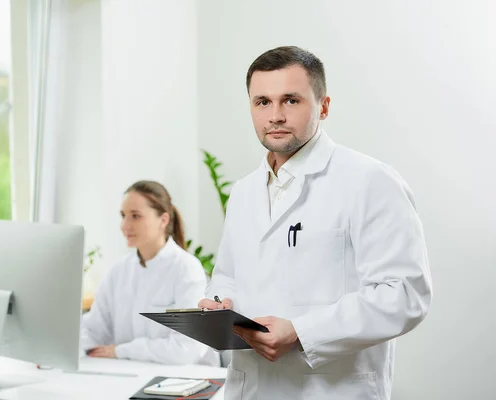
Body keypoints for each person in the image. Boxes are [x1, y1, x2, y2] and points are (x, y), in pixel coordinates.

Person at [198, 46, 433, 399]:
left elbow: (403, 294)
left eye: (290, 100)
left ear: (323, 106)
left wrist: (301, 331)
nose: (275, 115)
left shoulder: (369, 180)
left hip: (330, 389)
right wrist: (218, 305)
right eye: (262, 102)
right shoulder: (244, 192)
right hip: (251, 386)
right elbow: (227, 276)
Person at [81, 180, 219, 366]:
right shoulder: (118, 271)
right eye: (123, 216)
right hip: (133, 374)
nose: (125, 225)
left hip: (186, 380)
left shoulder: (187, 269)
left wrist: (121, 351)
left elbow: (187, 349)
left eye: (135, 216)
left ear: (163, 220)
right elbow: (94, 329)